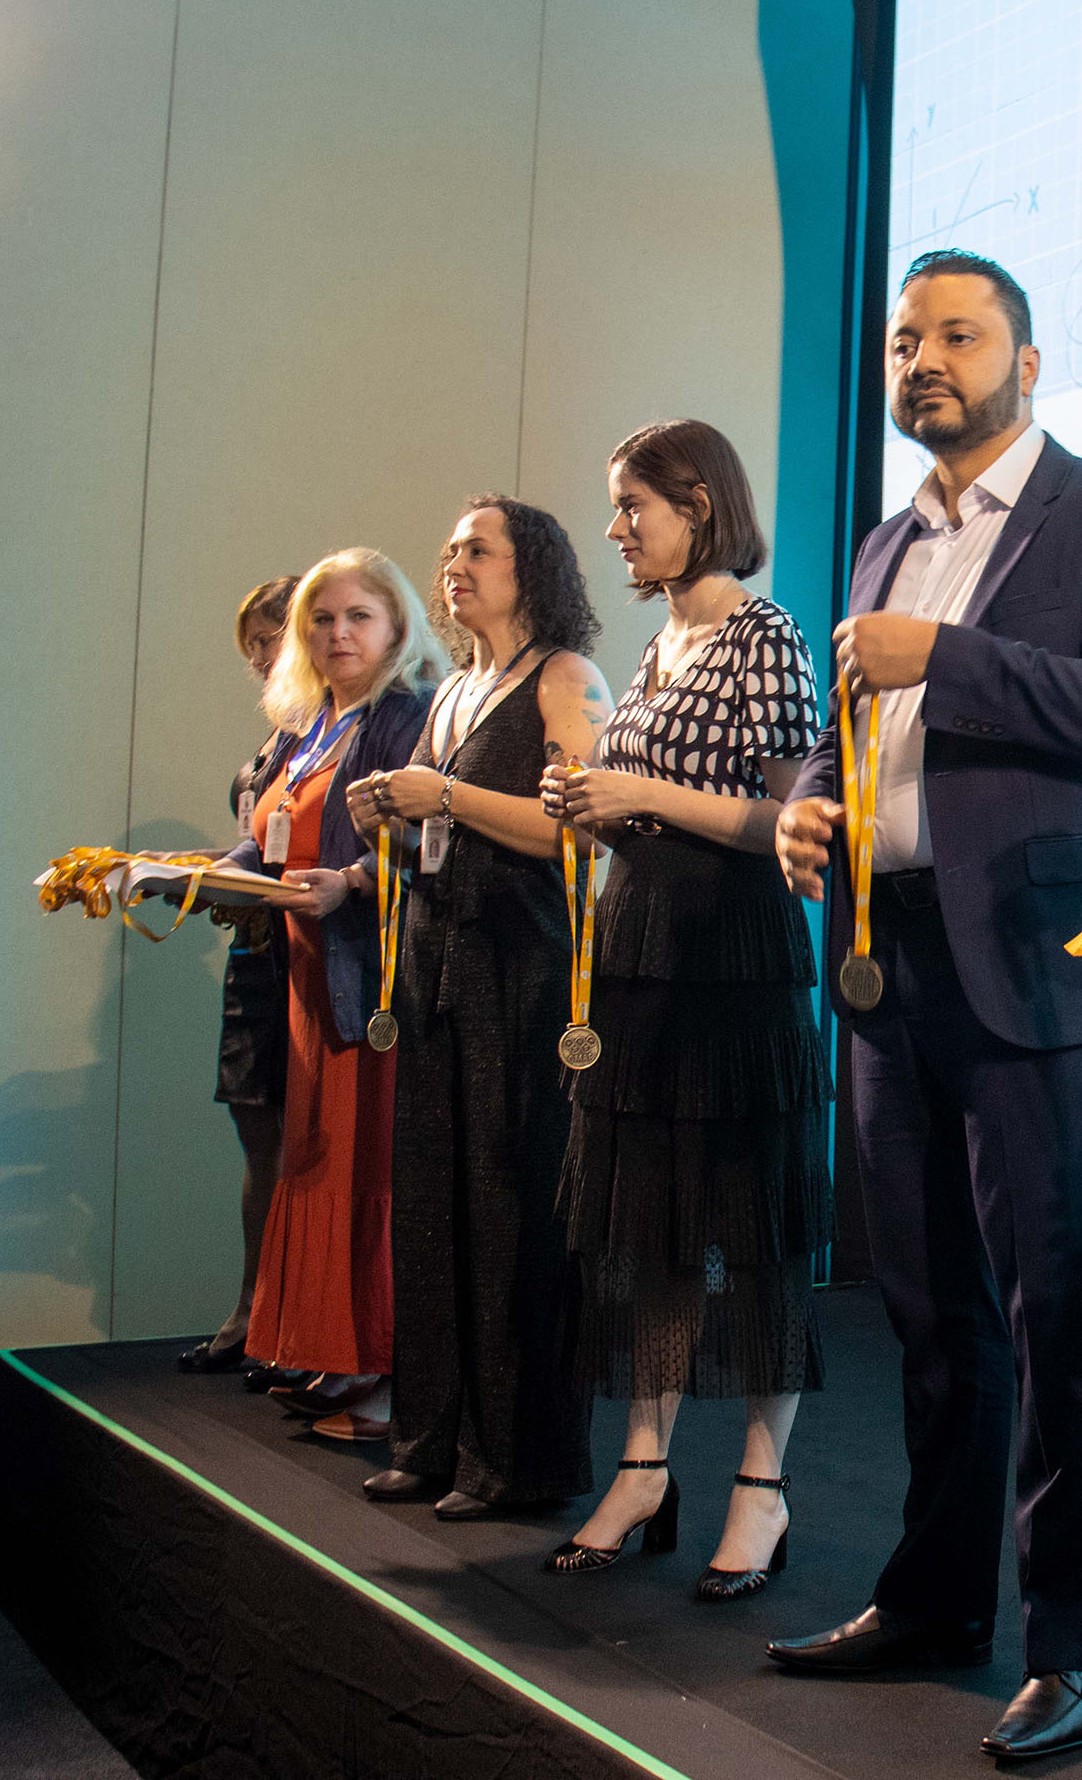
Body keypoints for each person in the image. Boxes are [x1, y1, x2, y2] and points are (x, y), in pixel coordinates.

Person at [768, 250, 1082, 1764]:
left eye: (959, 335)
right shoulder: (887, 540)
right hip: (890, 969)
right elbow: (850, 736)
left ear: (1027, 360)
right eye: (905, 339)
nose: (924, 360)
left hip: (1039, 964)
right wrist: (807, 811)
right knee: (932, 1313)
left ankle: (1076, 1652)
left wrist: (947, 658)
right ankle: (936, 1600)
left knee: (1061, 1313)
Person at [531, 422, 831, 1596]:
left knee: (753, 1226)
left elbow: (786, 821)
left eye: (631, 506)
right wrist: (592, 809)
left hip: (734, 956)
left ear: (697, 503)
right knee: (645, 1223)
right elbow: (655, 809)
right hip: (641, 950)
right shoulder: (660, 645)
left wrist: (638, 788)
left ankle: (764, 1481)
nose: (616, 529)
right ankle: (645, 1465)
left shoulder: (768, 635)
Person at [343, 500, 607, 1517]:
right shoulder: (455, 686)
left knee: (508, 1206)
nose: (452, 562)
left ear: (529, 567)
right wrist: (393, 819)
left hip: (521, 968)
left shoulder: (564, 677)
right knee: (434, 1199)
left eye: (476, 548)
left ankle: (518, 1457)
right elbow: (441, 830)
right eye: (447, 546)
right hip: (440, 958)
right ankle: (433, 1437)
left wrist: (442, 798)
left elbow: (578, 829)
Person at [216, 549, 443, 1442]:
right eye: (322, 619)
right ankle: (335, 1355)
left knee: (369, 1173)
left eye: (358, 617)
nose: (337, 633)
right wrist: (187, 877)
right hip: (308, 978)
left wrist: (349, 880)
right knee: (316, 1164)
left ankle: (385, 1377)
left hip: (372, 977)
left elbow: (417, 841)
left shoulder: (403, 715)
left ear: (397, 629)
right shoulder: (309, 722)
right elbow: (263, 839)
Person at [185, 575, 299, 1378]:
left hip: (312, 953)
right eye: (253, 644)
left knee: (312, 1150)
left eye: (273, 638)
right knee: (257, 1139)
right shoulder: (273, 744)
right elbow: (249, 854)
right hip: (253, 954)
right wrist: (186, 875)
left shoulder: (348, 731)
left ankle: (294, 1320)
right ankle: (253, 1305)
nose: (262, 657)